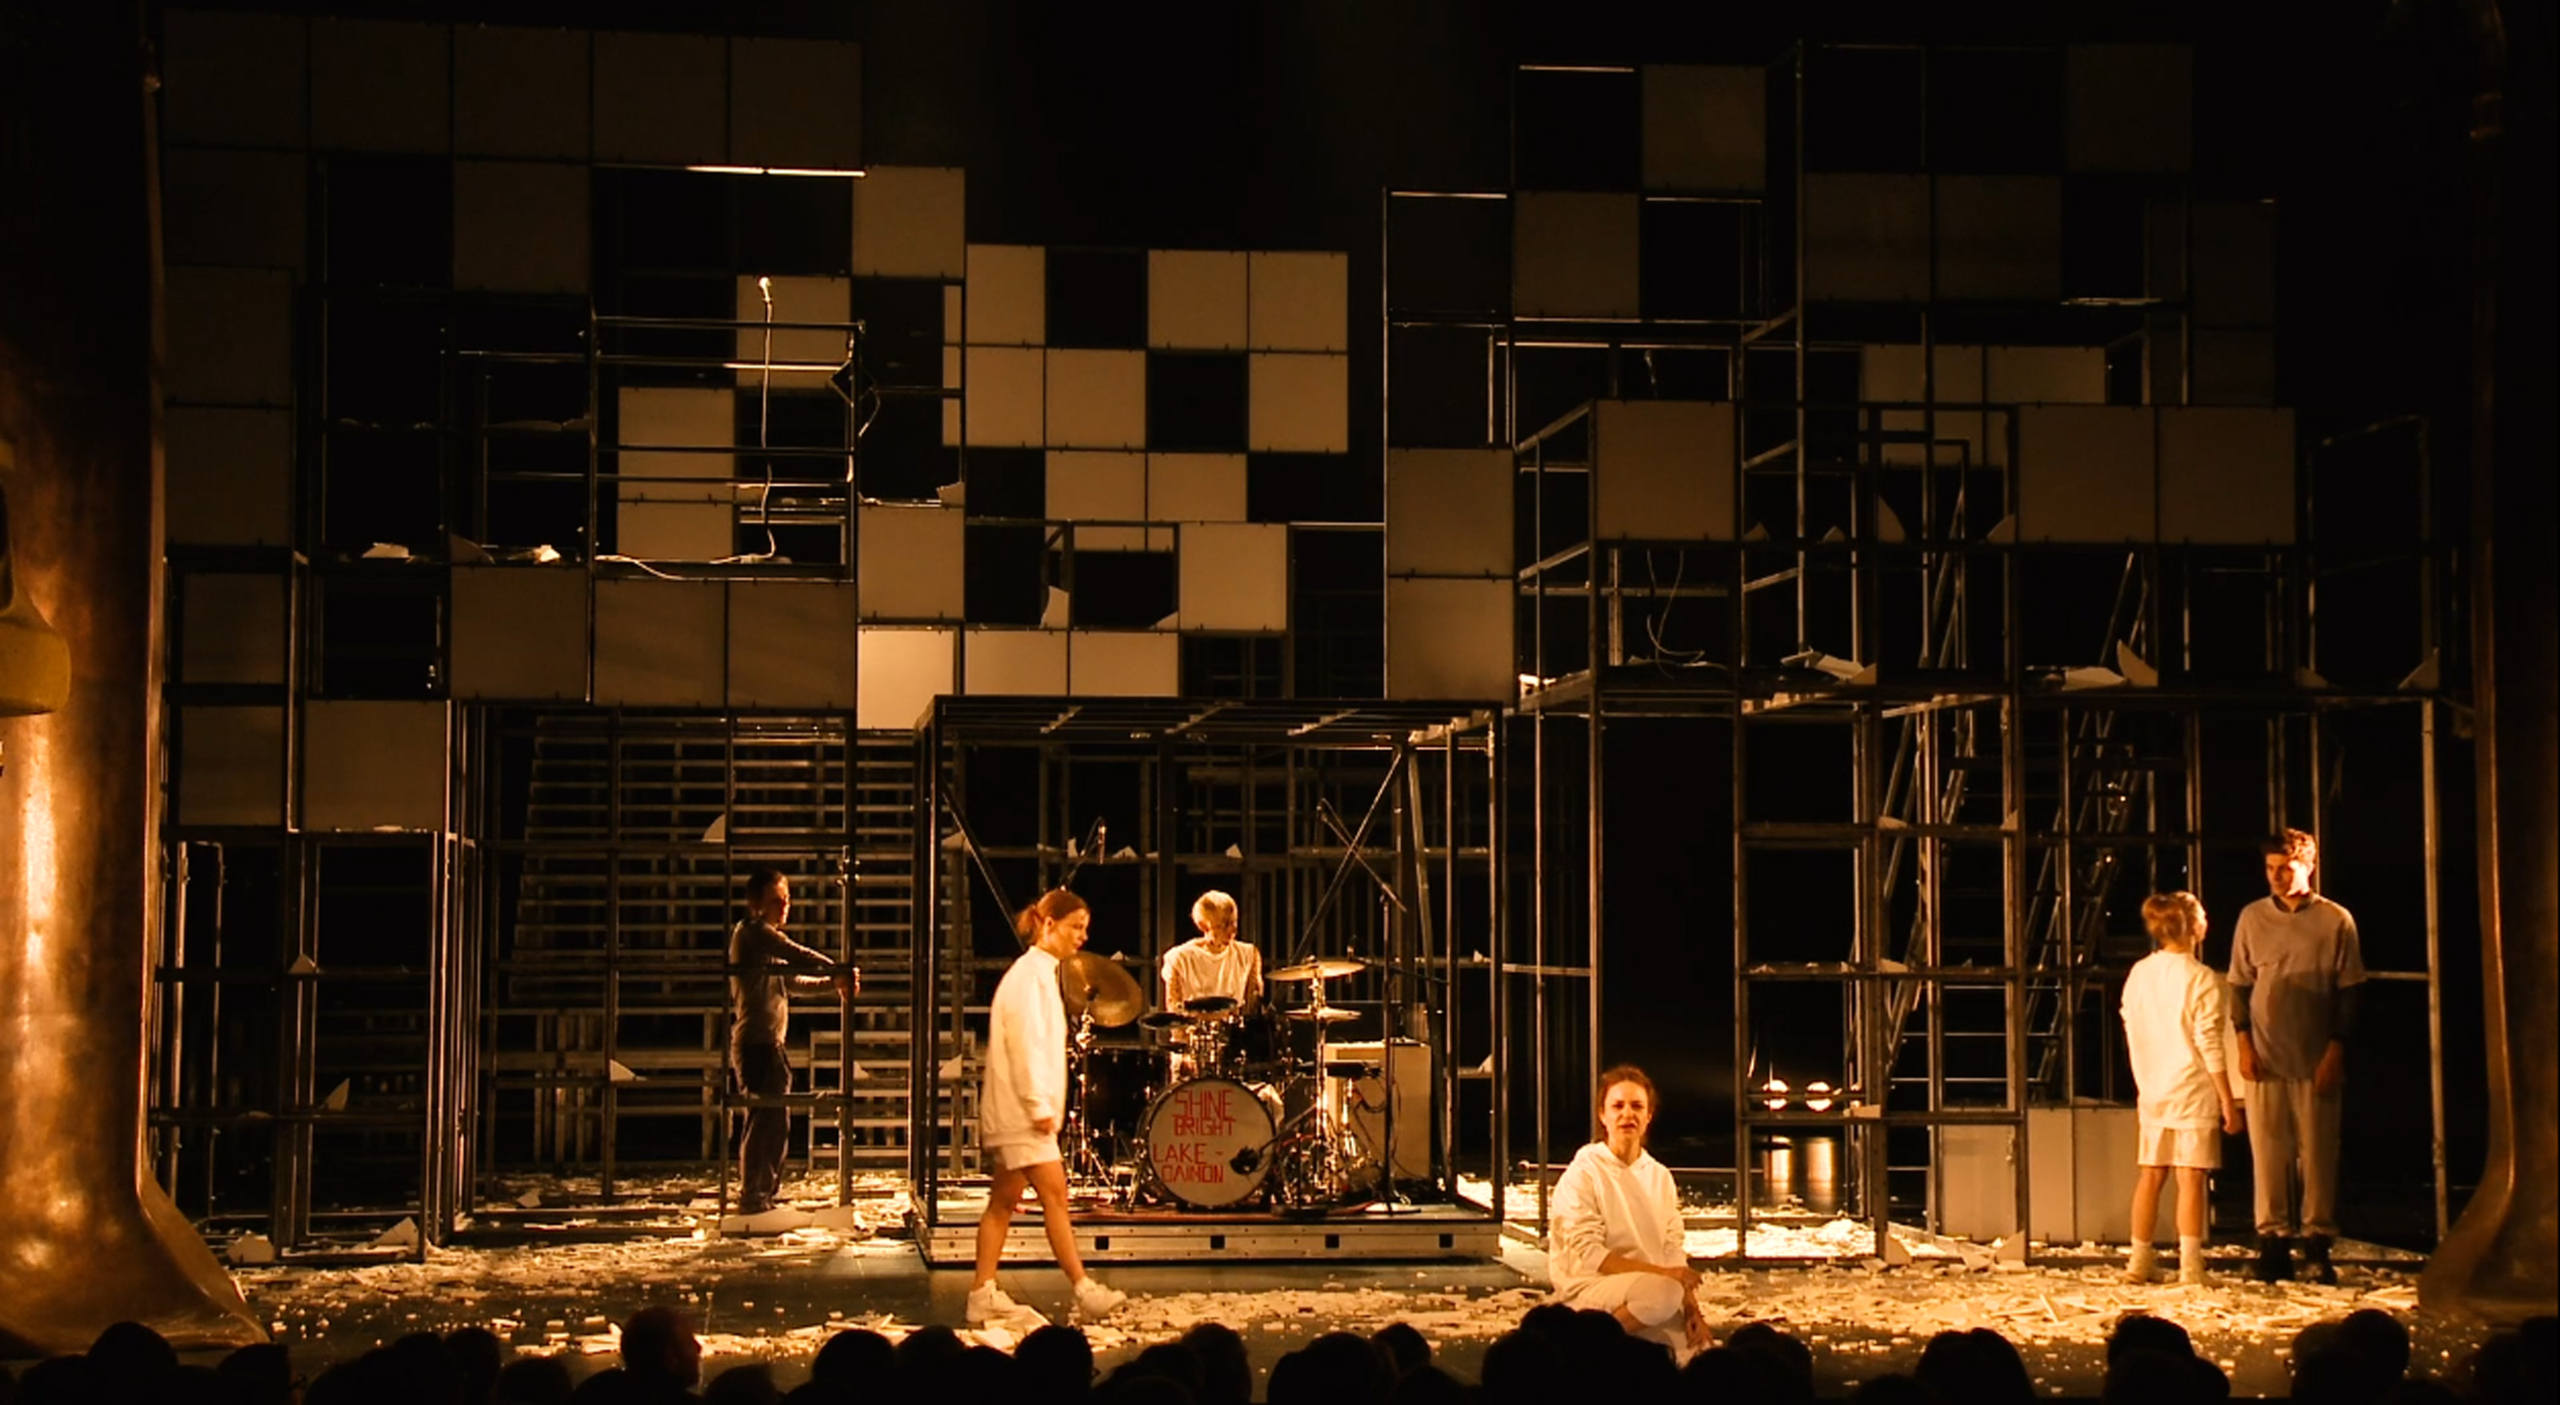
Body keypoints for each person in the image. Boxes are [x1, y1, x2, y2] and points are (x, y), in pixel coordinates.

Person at [967, 888, 1127, 1329]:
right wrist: (1039, 1103)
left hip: (1022, 1110)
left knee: (1002, 1203)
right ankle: (1083, 1287)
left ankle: (982, 1292)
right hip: (1023, 1112)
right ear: (1049, 924)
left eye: (1085, 928)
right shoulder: (1029, 978)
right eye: (1076, 926)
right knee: (1054, 1195)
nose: (1082, 936)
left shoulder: (1039, 975)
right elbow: (1025, 1046)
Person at [2229, 829, 2366, 1283]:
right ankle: (2272, 1242)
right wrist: (2243, 1043)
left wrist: (2336, 1048)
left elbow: (2350, 991)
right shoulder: (2253, 918)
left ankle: (2317, 1243)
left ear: (2308, 866)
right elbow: (2239, 986)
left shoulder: (2335, 920)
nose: (2276, 877)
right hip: (2266, 1054)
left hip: (2315, 1053)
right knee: (2269, 1152)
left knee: (2319, 1152)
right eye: (2270, 868)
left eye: (2285, 868)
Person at [2121, 891, 2245, 1285]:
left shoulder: (2140, 973)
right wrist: (2228, 1100)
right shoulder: (2202, 979)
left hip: (2152, 1087)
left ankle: (2139, 1261)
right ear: (2193, 926)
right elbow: (2210, 1043)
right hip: (2191, 1088)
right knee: (2190, 1177)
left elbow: (2131, 1023)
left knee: (2151, 1174)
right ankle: (2190, 1266)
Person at [1546, 1064, 1711, 1360]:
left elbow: (1672, 1248)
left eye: (1636, 1106)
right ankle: (1586, 1347)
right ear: (1603, 1115)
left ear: (1649, 1116)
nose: (1627, 1114)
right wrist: (1666, 1277)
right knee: (1664, 1294)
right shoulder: (1584, 1172)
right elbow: (1591, 1254)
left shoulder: (1659, 1176)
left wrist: (1691, 1308)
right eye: (1618, 1106)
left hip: (1649, 1292)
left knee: (1700, 1353)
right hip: (1592, 1287)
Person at [727, 869, 856, 1216]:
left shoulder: (765, 943)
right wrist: (836, 969)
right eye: (776, 900)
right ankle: (754, 1196)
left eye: (786, 899)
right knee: (763, 1122)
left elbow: (793, 982)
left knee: (775, 1122)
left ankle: (764, 1192)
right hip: (757, 1043)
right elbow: (796, 953)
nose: (785, 906)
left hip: (770, 1043)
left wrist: (832, 981)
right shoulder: (753, 933)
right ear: (757, 903)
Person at [1161, 890, 1263, 1011]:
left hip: (1234, 1022)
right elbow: (1174, 1009)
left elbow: (1253, 1005)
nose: (1233, 929)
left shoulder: (1248, 955)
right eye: (1224, 924)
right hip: (1194, 1022)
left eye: (1234, 922)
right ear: (1203, 926)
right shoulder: (1179, 958)